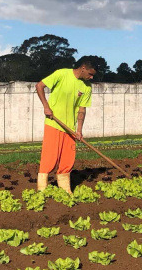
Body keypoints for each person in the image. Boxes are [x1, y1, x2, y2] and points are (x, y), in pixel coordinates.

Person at [35, 57, 96, 193]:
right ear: (83, 68)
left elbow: (82, 109)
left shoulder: (87, 86)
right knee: (49, 157)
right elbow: (39, 86)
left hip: (70, 128)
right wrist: (46, 106)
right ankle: (42, 190)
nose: (91, 77)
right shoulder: (61, 74)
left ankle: (65, 189)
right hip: (54, 123)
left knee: (67, 160)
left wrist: (79, 130)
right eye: (90, 74)